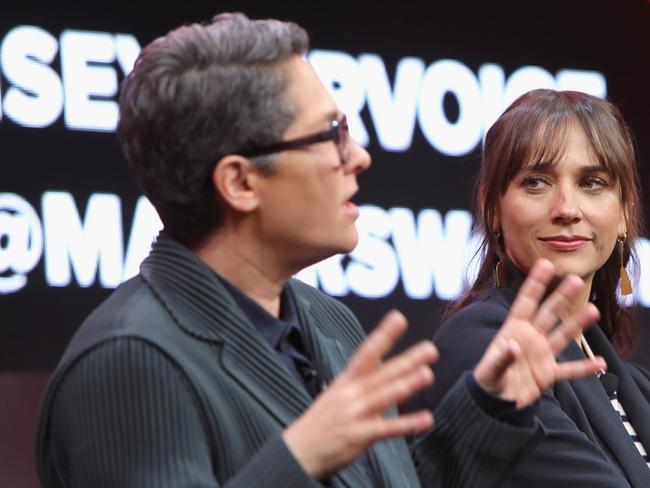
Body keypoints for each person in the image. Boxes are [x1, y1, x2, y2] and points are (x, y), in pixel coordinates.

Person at [36, 15, 604, 488]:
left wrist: (488, 407)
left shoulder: (324, 319)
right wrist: (298, 458)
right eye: (329, 134)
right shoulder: (129, 359)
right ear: (240, 183)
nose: (358, 156)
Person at [426, 88, 650, 487]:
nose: (566, 208)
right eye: (536, 182)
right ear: (493, 209)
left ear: (624, 215)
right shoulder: (482, 348)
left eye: (593, 182)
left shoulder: (636, 386)